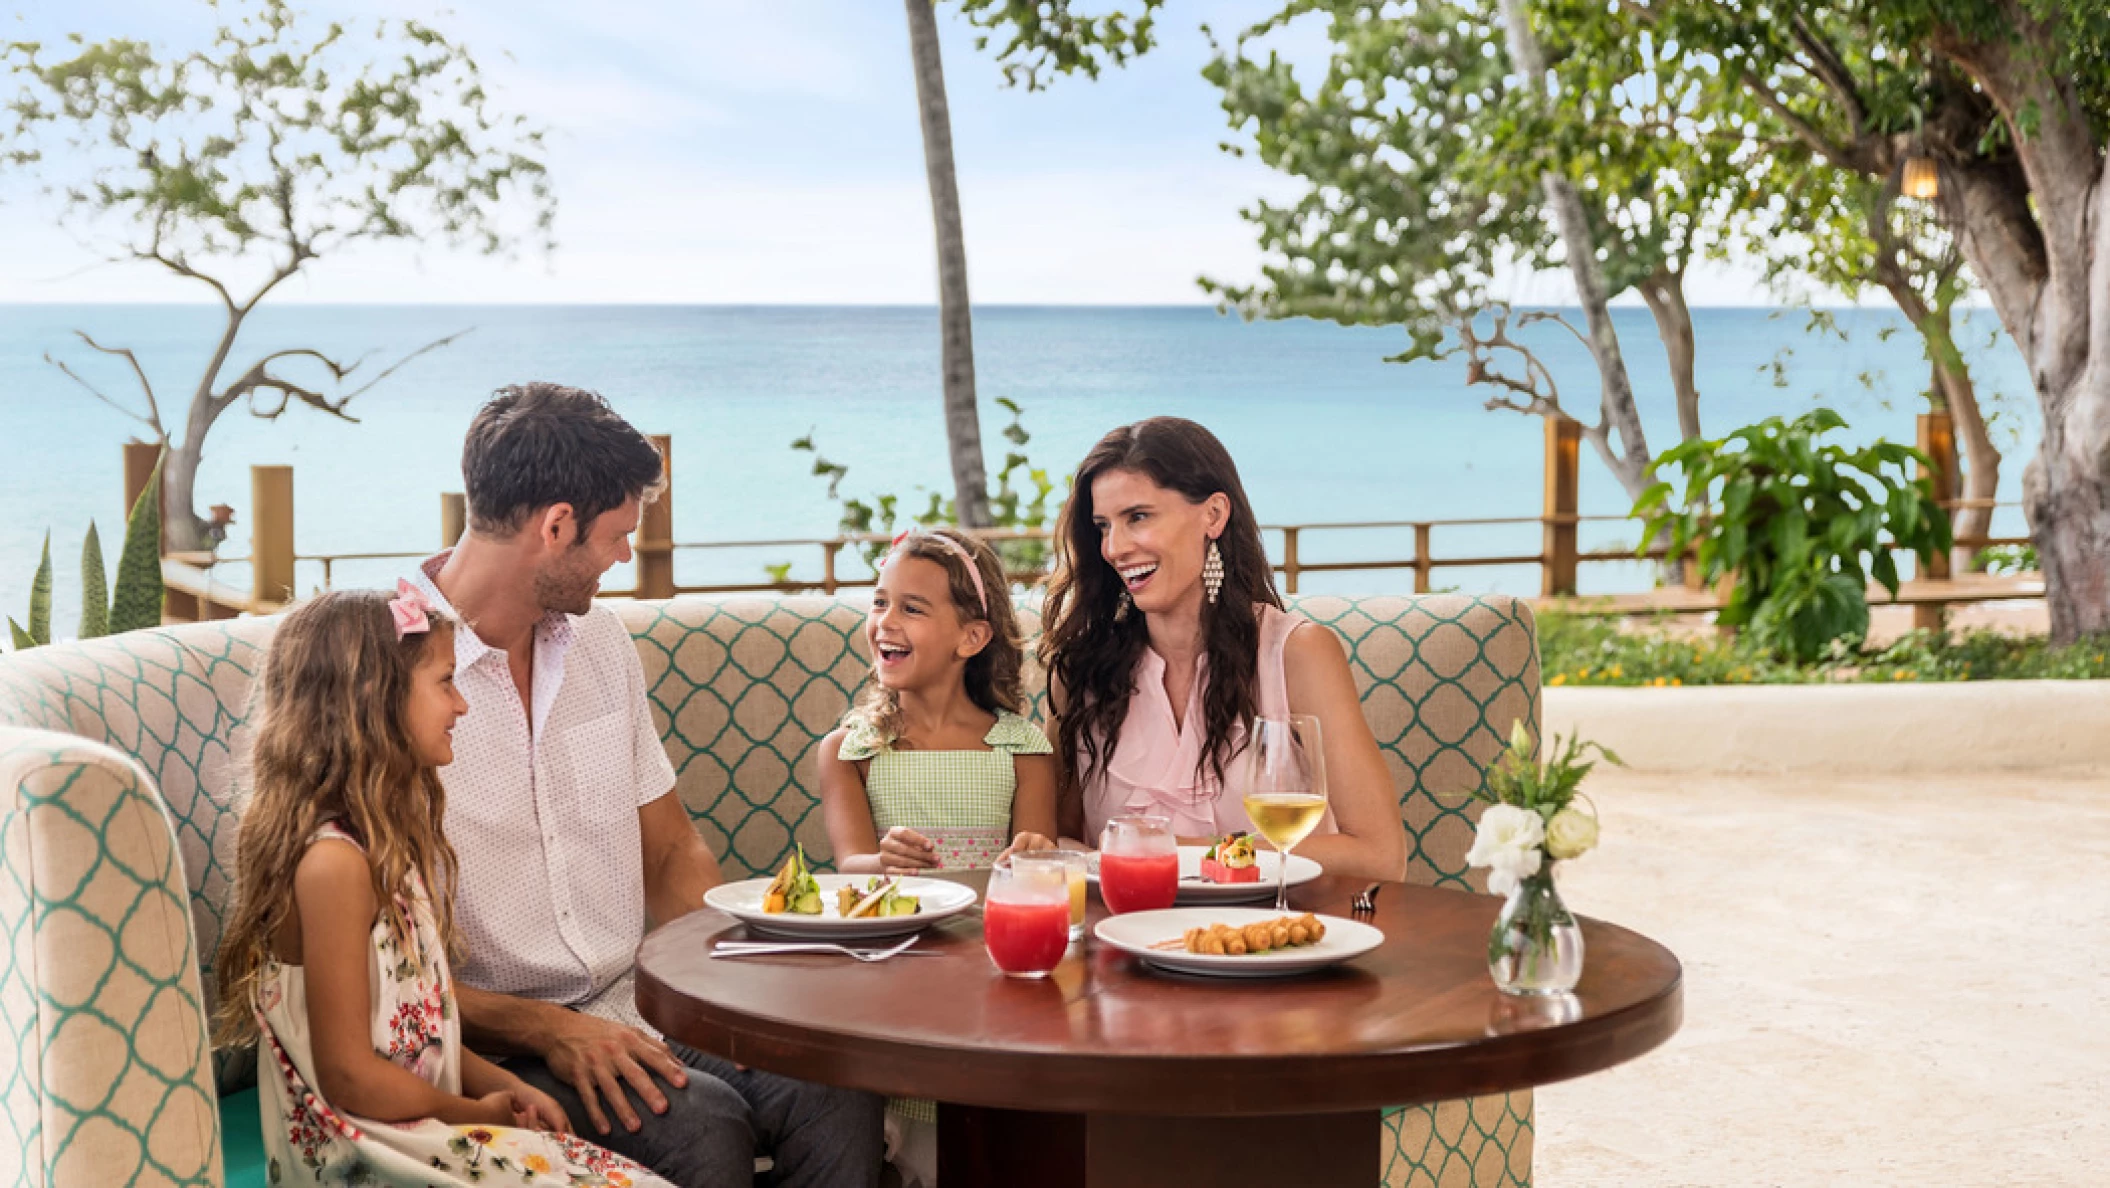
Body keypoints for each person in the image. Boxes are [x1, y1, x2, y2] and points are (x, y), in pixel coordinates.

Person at [405, 383, 884, 1188]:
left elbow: (667, 847)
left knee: (835, 1082)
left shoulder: (601, 644)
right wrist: (546, 1027)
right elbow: (377, 961)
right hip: (487, 1036)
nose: (626, 556)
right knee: (701, 1128)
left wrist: (753, 975)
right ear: (556, 526)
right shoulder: (386, 670)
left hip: (634, 997)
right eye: (618, 535)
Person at [215, 586, 672, 1187]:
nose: (461, 705)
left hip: (418, 1124)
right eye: (445, 683)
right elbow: (348, 1075)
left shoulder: (385, 849)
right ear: (375, 701)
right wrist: (474, 1114)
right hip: (364, 1152)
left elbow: (417, 1030)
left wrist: (500, 1085)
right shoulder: (334, 866)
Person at [1035, 417, 1410, 881]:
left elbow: (1380, 856)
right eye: (1103, 526)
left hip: (1276, 938)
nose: (1114, 547)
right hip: (1123, 937)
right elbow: (1053, 841)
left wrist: (1176, 852)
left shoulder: (1297, 655)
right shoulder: (1081, 670)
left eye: (1138, 517)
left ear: (1213, 515)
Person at [814, 528, 1058, 1188]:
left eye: (911, 609)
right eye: (878, 602)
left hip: (994, 973)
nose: (883, 624)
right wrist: (881, 862)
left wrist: (1037, 852)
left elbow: (1037, 870)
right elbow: (850, 868)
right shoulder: (850, 749)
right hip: (898, 971)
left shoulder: (1023, 748)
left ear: (972, 637)